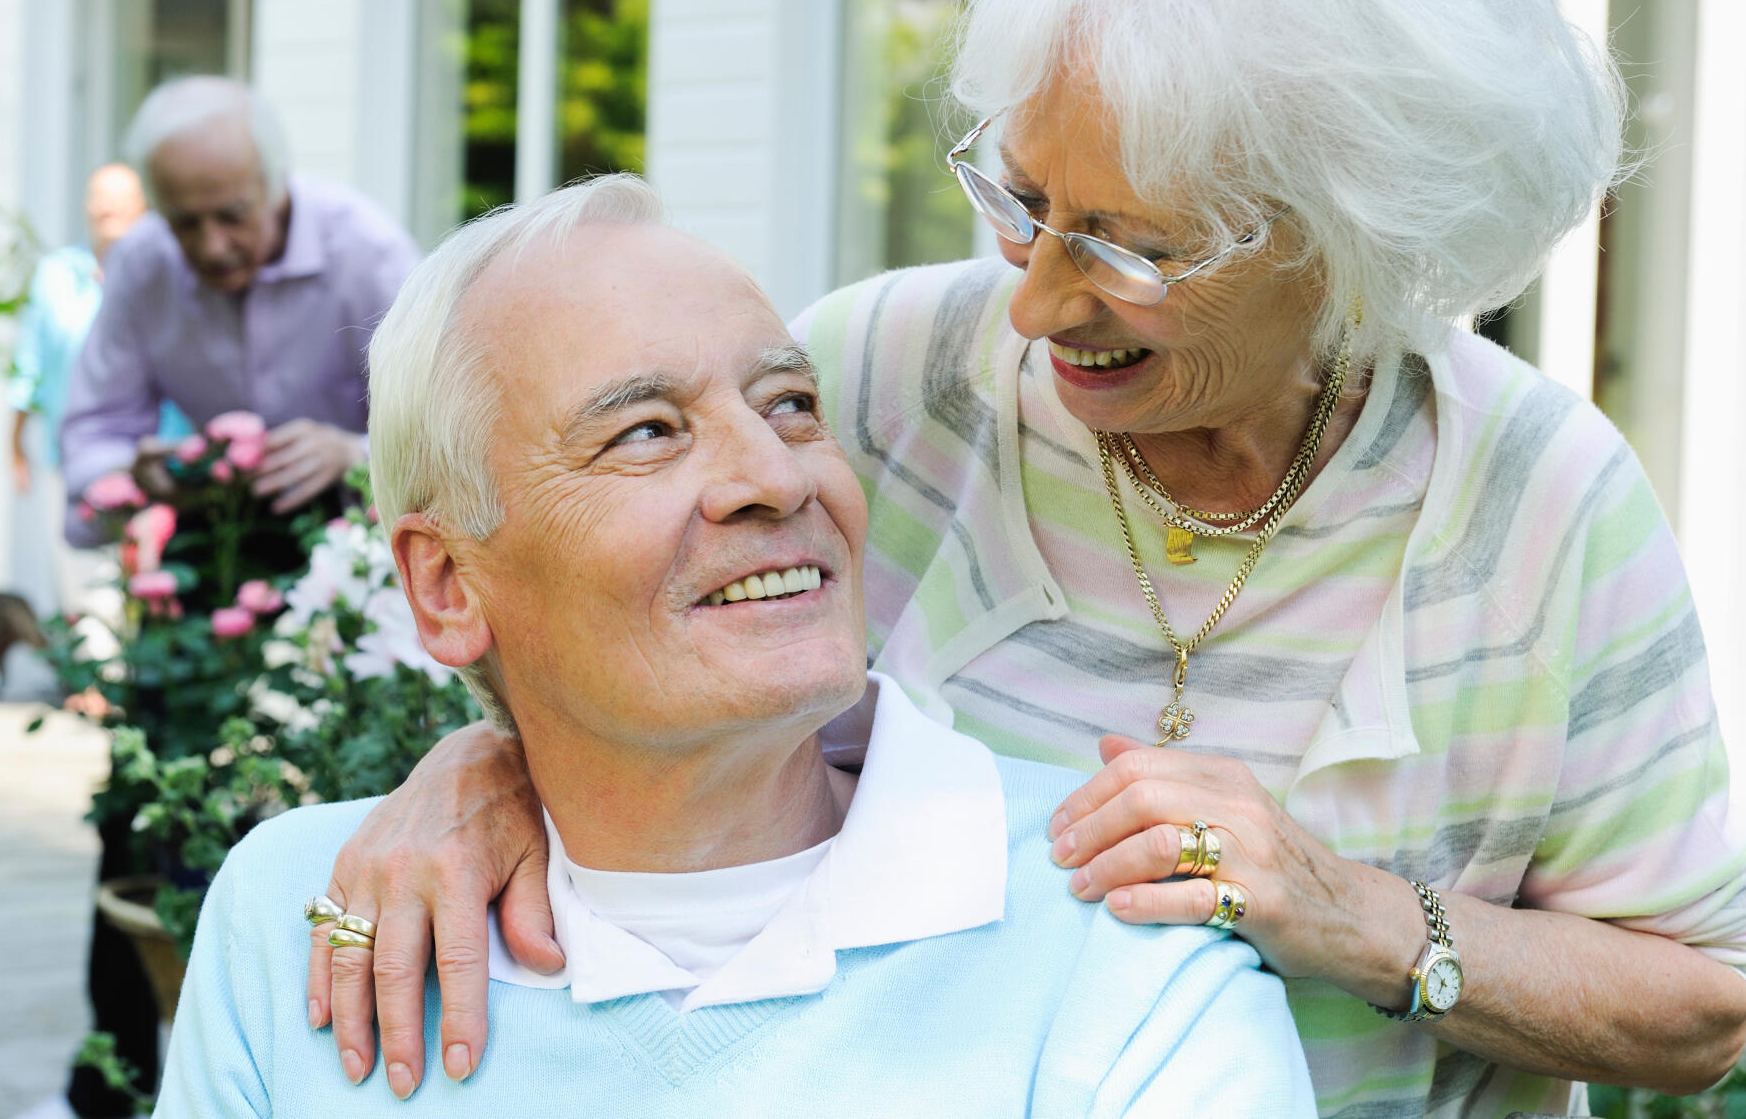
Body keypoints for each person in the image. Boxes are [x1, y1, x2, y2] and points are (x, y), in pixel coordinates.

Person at [310, 0, 1746, 1114]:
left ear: (1353, 239)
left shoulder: (1538, 498)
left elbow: (1703, 1004)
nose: (1039, 298)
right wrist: (484, 765)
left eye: (1133, 245)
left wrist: (1355, 914)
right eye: (1027, 197)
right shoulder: (886, 375)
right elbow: (624, 624)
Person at [154, 176, 1314, 1116]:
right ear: (450, 585)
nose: (774, 474)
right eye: (647, 431)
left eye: (791, 405)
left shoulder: (1114, 936)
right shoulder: (297, 915)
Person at [60, 76, 419, 542]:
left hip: (369, 545)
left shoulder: (367, 253)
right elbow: (95, 429)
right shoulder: (143, 262)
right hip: (217, 542)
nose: (212, 246)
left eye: (232, 214)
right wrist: (132, 473)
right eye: (184, 222)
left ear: (276, 183)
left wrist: (353, 454)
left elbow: (449, 429)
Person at [7, 163, 189, 614]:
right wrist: (15, 442)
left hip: (157, 455)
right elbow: (30, 363)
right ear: (87, 206)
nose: (108, 207)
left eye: (120, 197)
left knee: (152, 581)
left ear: (142, 207)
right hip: (75, 454)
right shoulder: (57, 274)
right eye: (99, 196)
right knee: (84, 585)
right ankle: (94, 681)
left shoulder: (169, 274)